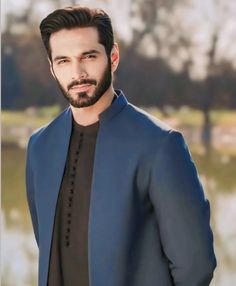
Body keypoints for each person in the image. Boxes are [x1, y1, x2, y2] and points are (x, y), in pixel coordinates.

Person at [26, 6, 216, 286]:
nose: (77, 73)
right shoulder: (40, 146)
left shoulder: (160, 145)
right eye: (63, 61)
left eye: (88, 57)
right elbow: (46, 244)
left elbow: (195, 266)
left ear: (112, 57)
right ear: (52, 67)